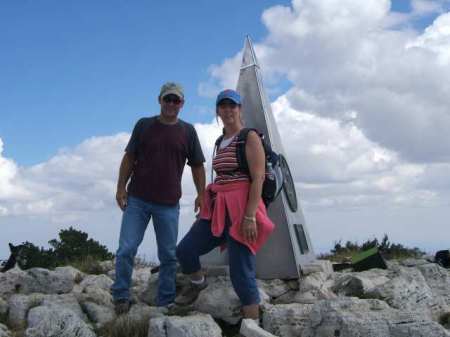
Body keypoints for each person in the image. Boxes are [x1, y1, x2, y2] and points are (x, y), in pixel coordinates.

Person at [175, 89, 275, 321]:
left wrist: (250, 216)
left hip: (242, 209)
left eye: (233, 105)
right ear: (217, 111)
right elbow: (220, 176)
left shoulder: (249, 136)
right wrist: (204, 196)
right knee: (185, 250)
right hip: (219, 207)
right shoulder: (221, 141)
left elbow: (258, 177)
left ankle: (252, 325)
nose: (228, 110)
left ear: (240, 109)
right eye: (223, 106)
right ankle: (198, 284)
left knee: (241, 271)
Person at [111, 82, 206, 314]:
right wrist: (120, 188)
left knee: (168, 255)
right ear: (159, 100)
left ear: (182, 104)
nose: (171, 104)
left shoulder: (188, 131)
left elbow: (197, 166)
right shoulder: (143, 125)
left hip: (169, 203)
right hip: (138, 199)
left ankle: (166, 301)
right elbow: (129, 158)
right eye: (168, 99)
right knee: (126, 249)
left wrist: (202, 194)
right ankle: (121, 295)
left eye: (176, 100)